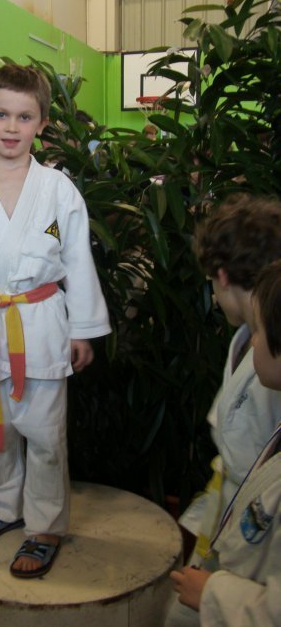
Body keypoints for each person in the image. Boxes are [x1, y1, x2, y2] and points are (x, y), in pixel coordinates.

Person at [0, 64, 111, 578]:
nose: (12, 127)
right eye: (1, 115)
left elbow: (76, 259)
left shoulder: (57, 189)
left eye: (25, 117)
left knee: (46, 432)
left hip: (42, 320)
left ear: (42, 123)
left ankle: (46, 525)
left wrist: (83, 328)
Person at [164, 194, 281, 624]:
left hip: (259, 539)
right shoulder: (248, 340)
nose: (214, 297)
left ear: (224, 275)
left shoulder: (271, 362)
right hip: (233, 513)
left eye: (212, 284)